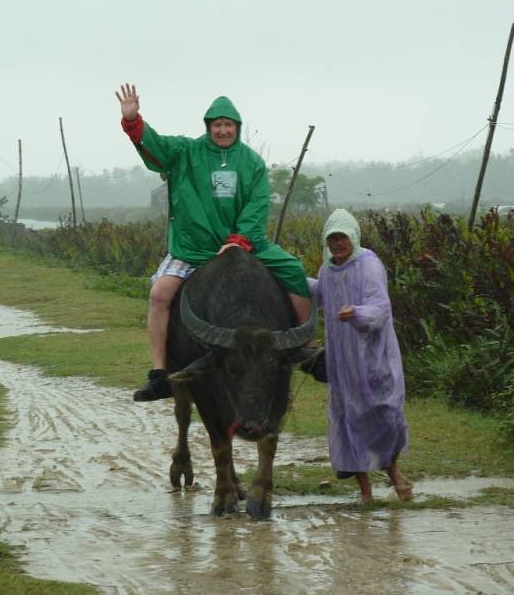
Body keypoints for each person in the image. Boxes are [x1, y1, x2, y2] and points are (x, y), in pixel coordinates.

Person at [116, 84, 312, 401]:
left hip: (245, 245)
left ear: (237, 127)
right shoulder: (185, 152)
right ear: (208, 127)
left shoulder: (252, 163)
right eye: (217, 125)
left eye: (228, 125)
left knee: (293, 270)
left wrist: (239, 239)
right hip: (192, 249)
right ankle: (160, 374)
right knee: (159, 293)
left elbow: (258, 204)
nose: (222, 130)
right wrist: (133, 120)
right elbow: (154, 145)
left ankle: (307, 351)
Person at [304, 208, 412, 503]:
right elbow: (321, 293)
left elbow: (380, 308)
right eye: (332, 239)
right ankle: (366, 493)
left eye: (341, 238)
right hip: (343, 362)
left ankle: (395, 474)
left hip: (373, 357)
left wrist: (357, 313)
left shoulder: (369, 264)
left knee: (384, 415)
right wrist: (292, 279)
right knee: (349, 418)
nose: (337, 244)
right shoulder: (328, 270)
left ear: (353, 237)